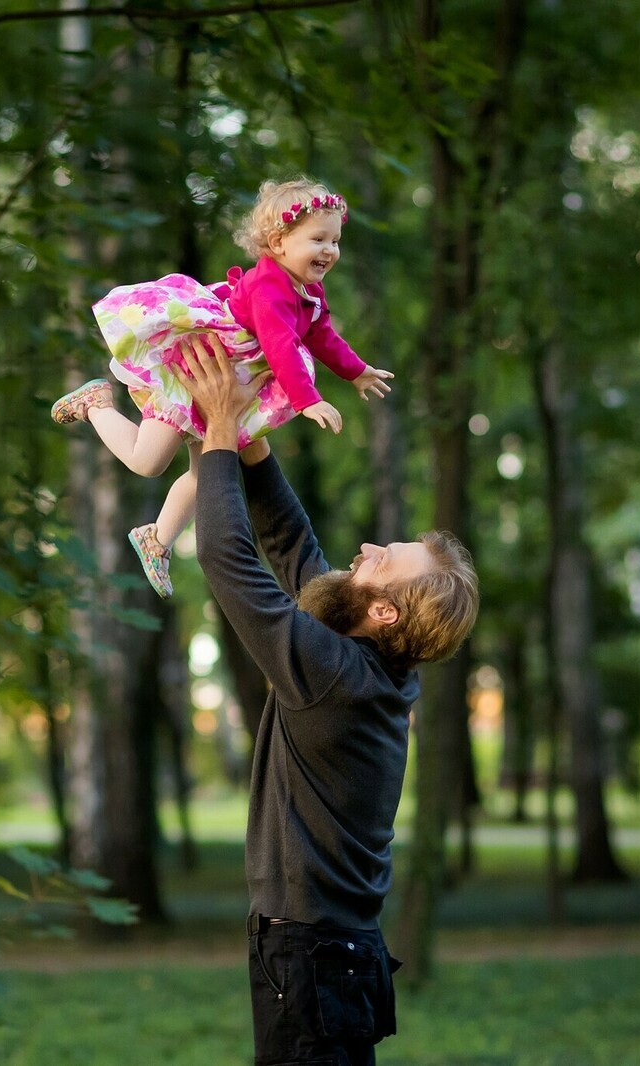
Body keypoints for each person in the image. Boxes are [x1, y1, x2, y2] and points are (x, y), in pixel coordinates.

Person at [174, 334, 478, 1066]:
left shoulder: (336, 674)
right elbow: (290, 542)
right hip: (322, 951)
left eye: (385, 560)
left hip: (311, 955)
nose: (369, 547)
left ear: (385, 614)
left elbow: (227, 561)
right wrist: (247, 442)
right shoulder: (358, 656)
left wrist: (216, 429)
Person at [50, 176, 393, 598]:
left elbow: (322, 335)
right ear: (279, 242)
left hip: (233, 375)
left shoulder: (308, 290)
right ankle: (97, 404)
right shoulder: (269, 287)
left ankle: (157, 538)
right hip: (204, 365)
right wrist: (308, 400)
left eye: (335, 241)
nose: (329, 250)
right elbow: (280, 344)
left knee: (207, 469)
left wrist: (355, 371)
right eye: (318, 239)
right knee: (149, 460)